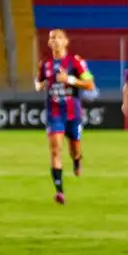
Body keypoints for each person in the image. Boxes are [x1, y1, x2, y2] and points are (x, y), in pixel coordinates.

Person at [35, 29, 95, 205]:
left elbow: (90, 84)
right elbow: (38, 81)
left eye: (59, 38)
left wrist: (70, 80)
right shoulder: (45, 64)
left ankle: (77, 160)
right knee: (55, 150)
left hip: (73, 113)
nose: (55, 41)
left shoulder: (75, 62)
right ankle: (59, 191)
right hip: (54, 113)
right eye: (52, 38)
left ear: (66, 42)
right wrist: (39, 85)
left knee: (74, 148)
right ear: (48, 43)